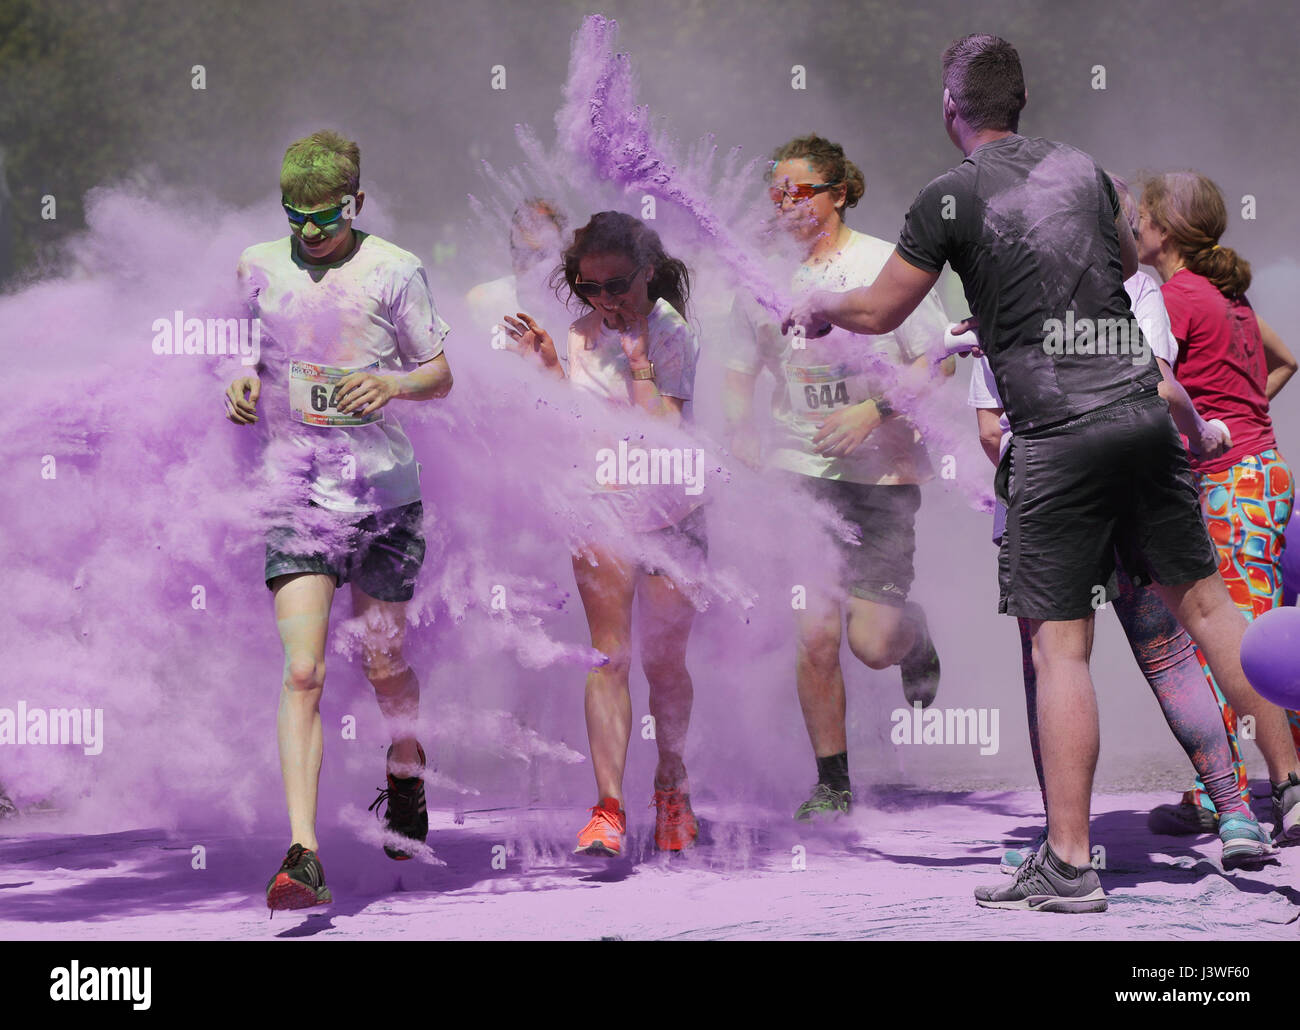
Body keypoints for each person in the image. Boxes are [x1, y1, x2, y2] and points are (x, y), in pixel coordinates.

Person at [785, 34, 1300, 912]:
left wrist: (816, 302)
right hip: (1140, 415)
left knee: (1059, 649)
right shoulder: (1089, 175)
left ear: (953, 105)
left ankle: (1069, 861)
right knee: (1209, 610)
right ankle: (1286, 779)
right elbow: (1106, 301)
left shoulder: (947, 196)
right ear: (1020, 103)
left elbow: (878, 308)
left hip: (1059, 441)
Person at [967, 175, 1273, 870]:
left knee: (1050, 666)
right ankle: (1238, 813)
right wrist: (1199, 434)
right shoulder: (1136, 291)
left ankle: (1064, 844)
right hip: (1135, 485)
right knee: (1168, 654)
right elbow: (1163, 388)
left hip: (1044, 500)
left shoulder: (996, 298)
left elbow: (991, 431)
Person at [225, 130, 454, 910]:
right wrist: (243, 382)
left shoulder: (395, 270)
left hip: (385, 499)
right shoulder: (258, 265)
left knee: (384, 666)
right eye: (295, 217)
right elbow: (244, 350)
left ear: (355, 203)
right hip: (297, 493)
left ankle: (406, 764)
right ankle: (303, 854)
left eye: (323, 218)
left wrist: (390, 386)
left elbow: (440, 374)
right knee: (302, 670)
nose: (309, 234)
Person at [725, 134, 949, 823]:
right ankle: (833, 783)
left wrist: (873, 408)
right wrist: (742, 425)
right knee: (816, 633)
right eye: (776, 192)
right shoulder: (760, 274)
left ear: (839, 192)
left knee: (870, 643)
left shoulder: (883, 262)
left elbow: (938, 359)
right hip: (803, 472)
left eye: (799, 190)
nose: (784, 203)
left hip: (882, 473)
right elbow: (742, 368)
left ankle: (912, 634)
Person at [501, 211, 705, 856]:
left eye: (616, 285)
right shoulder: (581, 333)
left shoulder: (672, 330)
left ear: (647, 273)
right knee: (608, 655)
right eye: (590, 288)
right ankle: (608, 806)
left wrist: (640, 361)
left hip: (674, 513)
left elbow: (665, 430)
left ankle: (672, 785)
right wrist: (549, 371)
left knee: (663, 661)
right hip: (602, 507)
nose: (605, 301)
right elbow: (577, 426)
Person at [1138, 170, 1300, 840]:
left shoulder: (1175, 297)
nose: (1133, 226)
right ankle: (1251, 787)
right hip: (1262, 474)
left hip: (1231, 482)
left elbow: (1147, 381)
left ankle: (1242, 796)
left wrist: (1201, 428)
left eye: (1141, 216)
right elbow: (1287, 361)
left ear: (1166, 229)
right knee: (1247, 634)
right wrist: (1243, 410)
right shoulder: (1227, 295)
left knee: (1238, 648)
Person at [466, 198, 569, 366]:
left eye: (541, 224)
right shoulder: (484, 298)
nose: (529, 231)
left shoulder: (577, 302)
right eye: (525, 223)